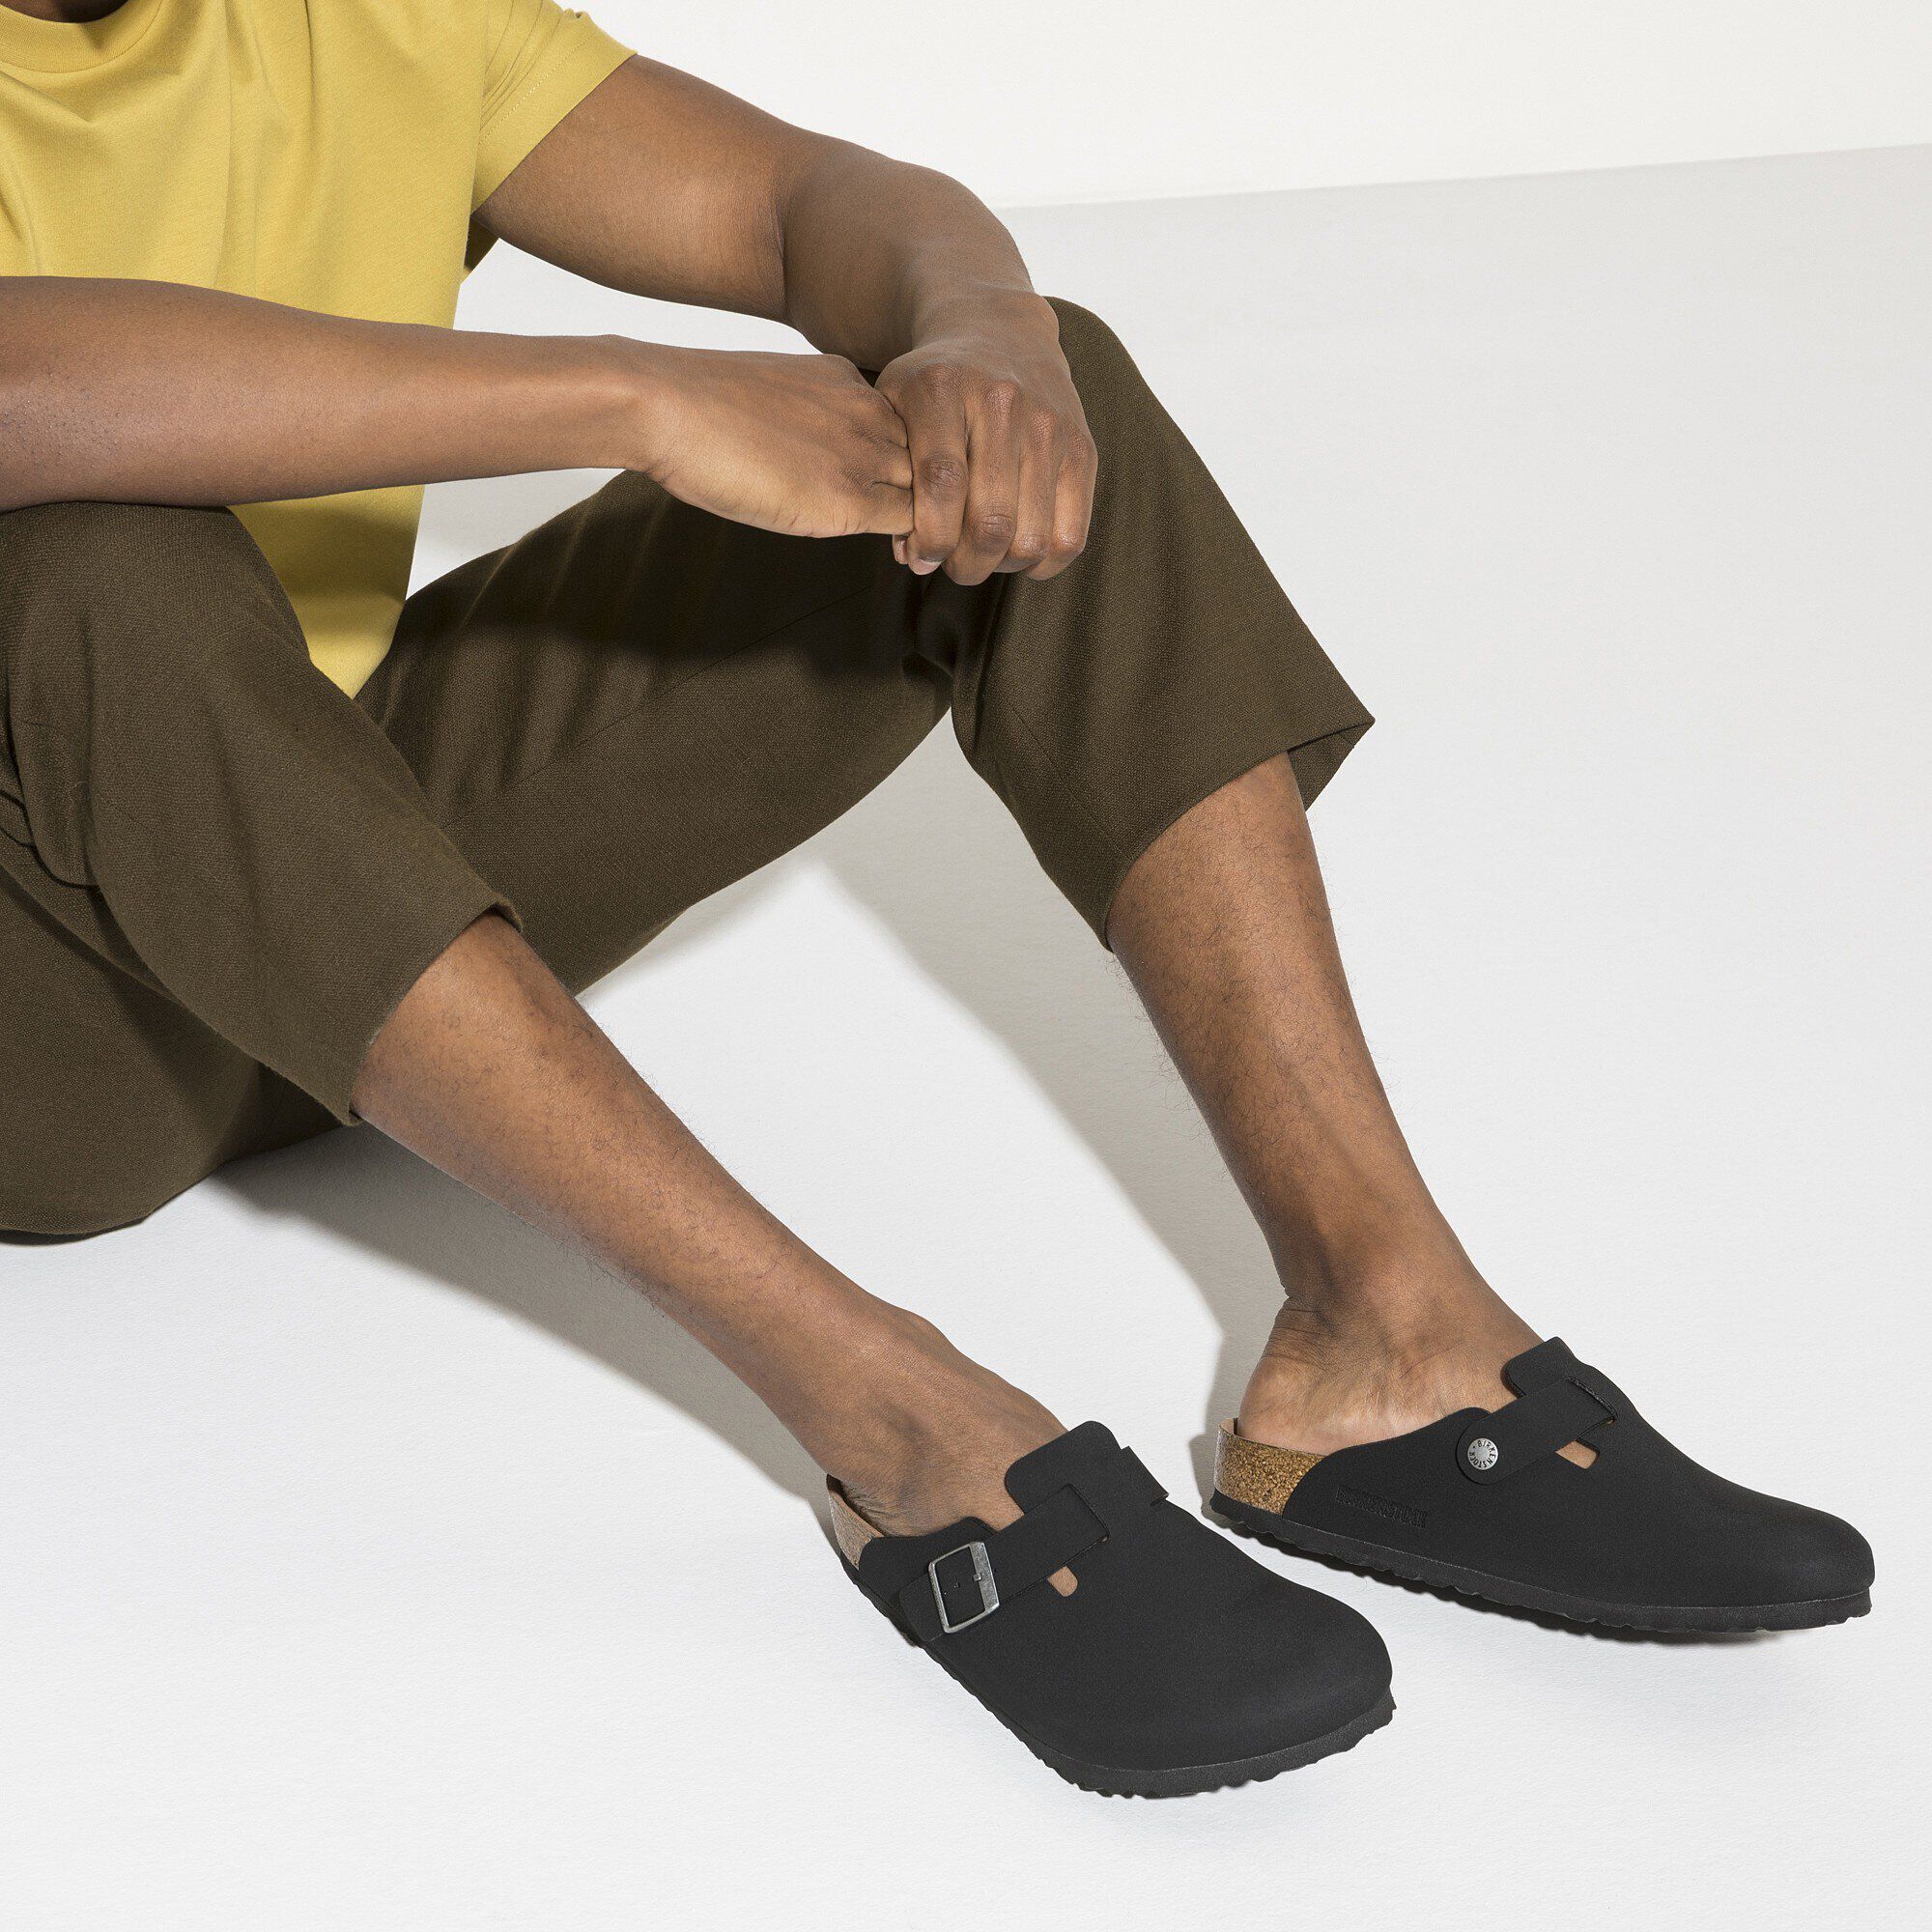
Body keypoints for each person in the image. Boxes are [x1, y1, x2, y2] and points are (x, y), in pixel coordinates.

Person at [0, 0, 1872, 1797]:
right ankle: (903, 1430)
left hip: (293, 897)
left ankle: (1388, 1339)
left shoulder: (367, 16)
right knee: (95, 570)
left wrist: (978, 337)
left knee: (1026, 405)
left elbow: (812, 205)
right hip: (49, 1039)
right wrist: (639, 393)